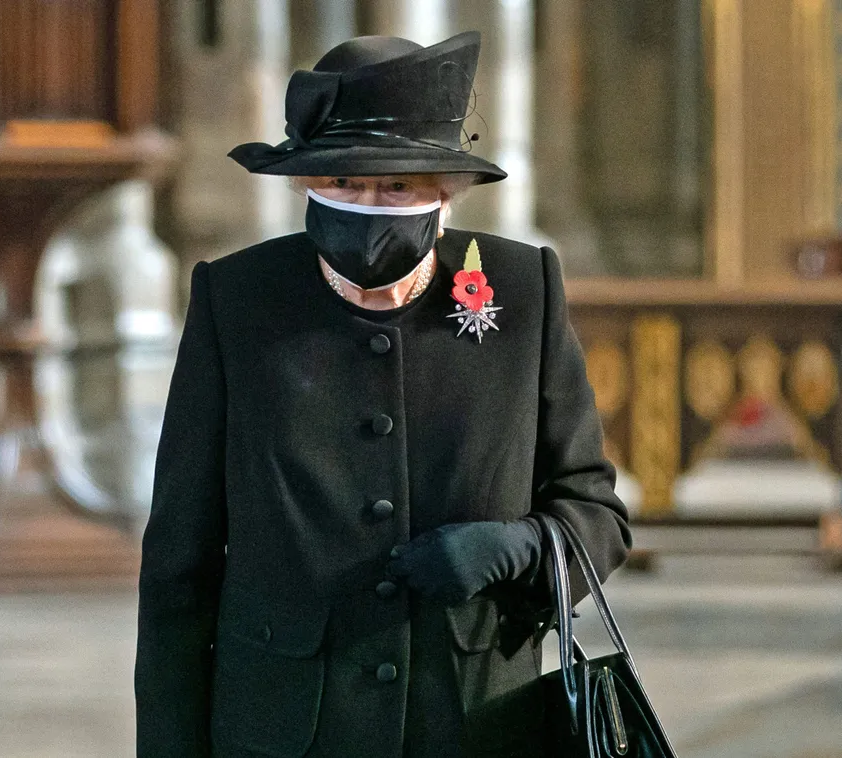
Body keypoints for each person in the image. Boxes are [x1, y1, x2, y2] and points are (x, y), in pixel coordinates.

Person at [135, 31, 631, 757]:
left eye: (394, 185)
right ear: (306, 184)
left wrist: (514, 547)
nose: (364, 205)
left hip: (473, 722)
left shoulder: (523, 292)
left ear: (444, 192)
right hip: (283, 729)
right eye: (340, 183)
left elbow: (596, 514)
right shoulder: (236, 298)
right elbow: (179, 560)